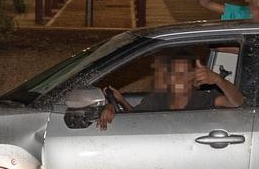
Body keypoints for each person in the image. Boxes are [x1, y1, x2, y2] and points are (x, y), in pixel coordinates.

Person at [98, 52, 245, 130]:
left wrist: (218, 80)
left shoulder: (203, 99)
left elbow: (238, 103)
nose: (179, 78)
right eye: (174, 73)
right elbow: (136, 118)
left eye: (185, 73)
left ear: (195, 79)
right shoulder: (158, 99)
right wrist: (115, 103)